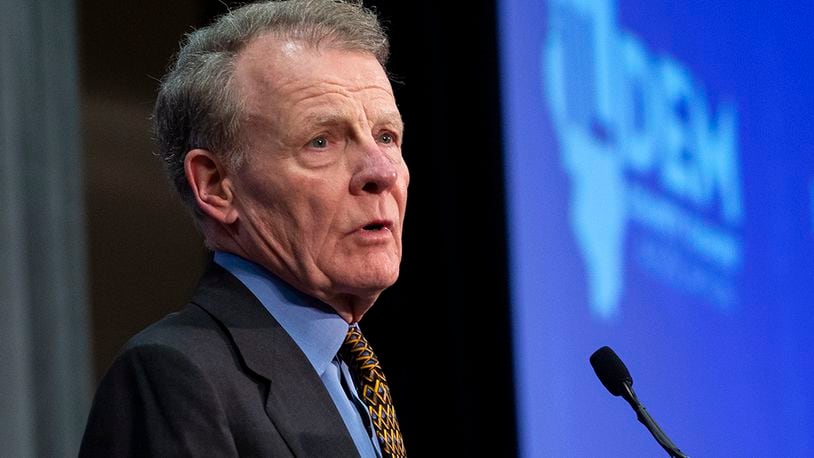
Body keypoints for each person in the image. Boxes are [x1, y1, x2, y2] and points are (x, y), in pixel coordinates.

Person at [79, 1, 409, 456]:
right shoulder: (176, 377)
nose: (381, 171)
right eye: (320, 141)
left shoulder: (352, 375)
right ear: (216, 185)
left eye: (386, 136)